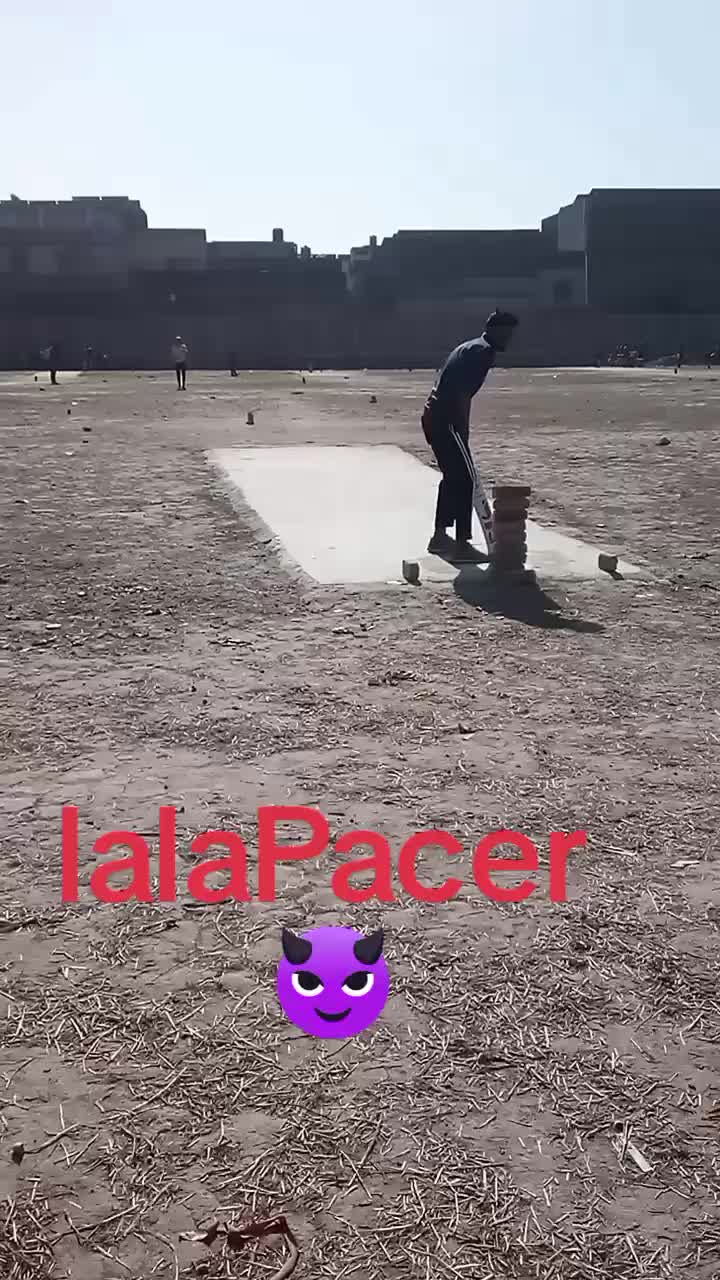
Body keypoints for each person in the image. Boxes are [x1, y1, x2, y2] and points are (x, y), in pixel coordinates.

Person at [421, 310, 519, 561]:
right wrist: (462, 431)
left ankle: (440, 537)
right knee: (466, 480)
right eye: (507, 333)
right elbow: (461, 393)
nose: (509, 339)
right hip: (447, 420)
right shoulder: (482, 352)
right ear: (495, 330)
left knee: (453, 478)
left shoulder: (471, 346)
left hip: (434, 417)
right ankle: (462, 544)